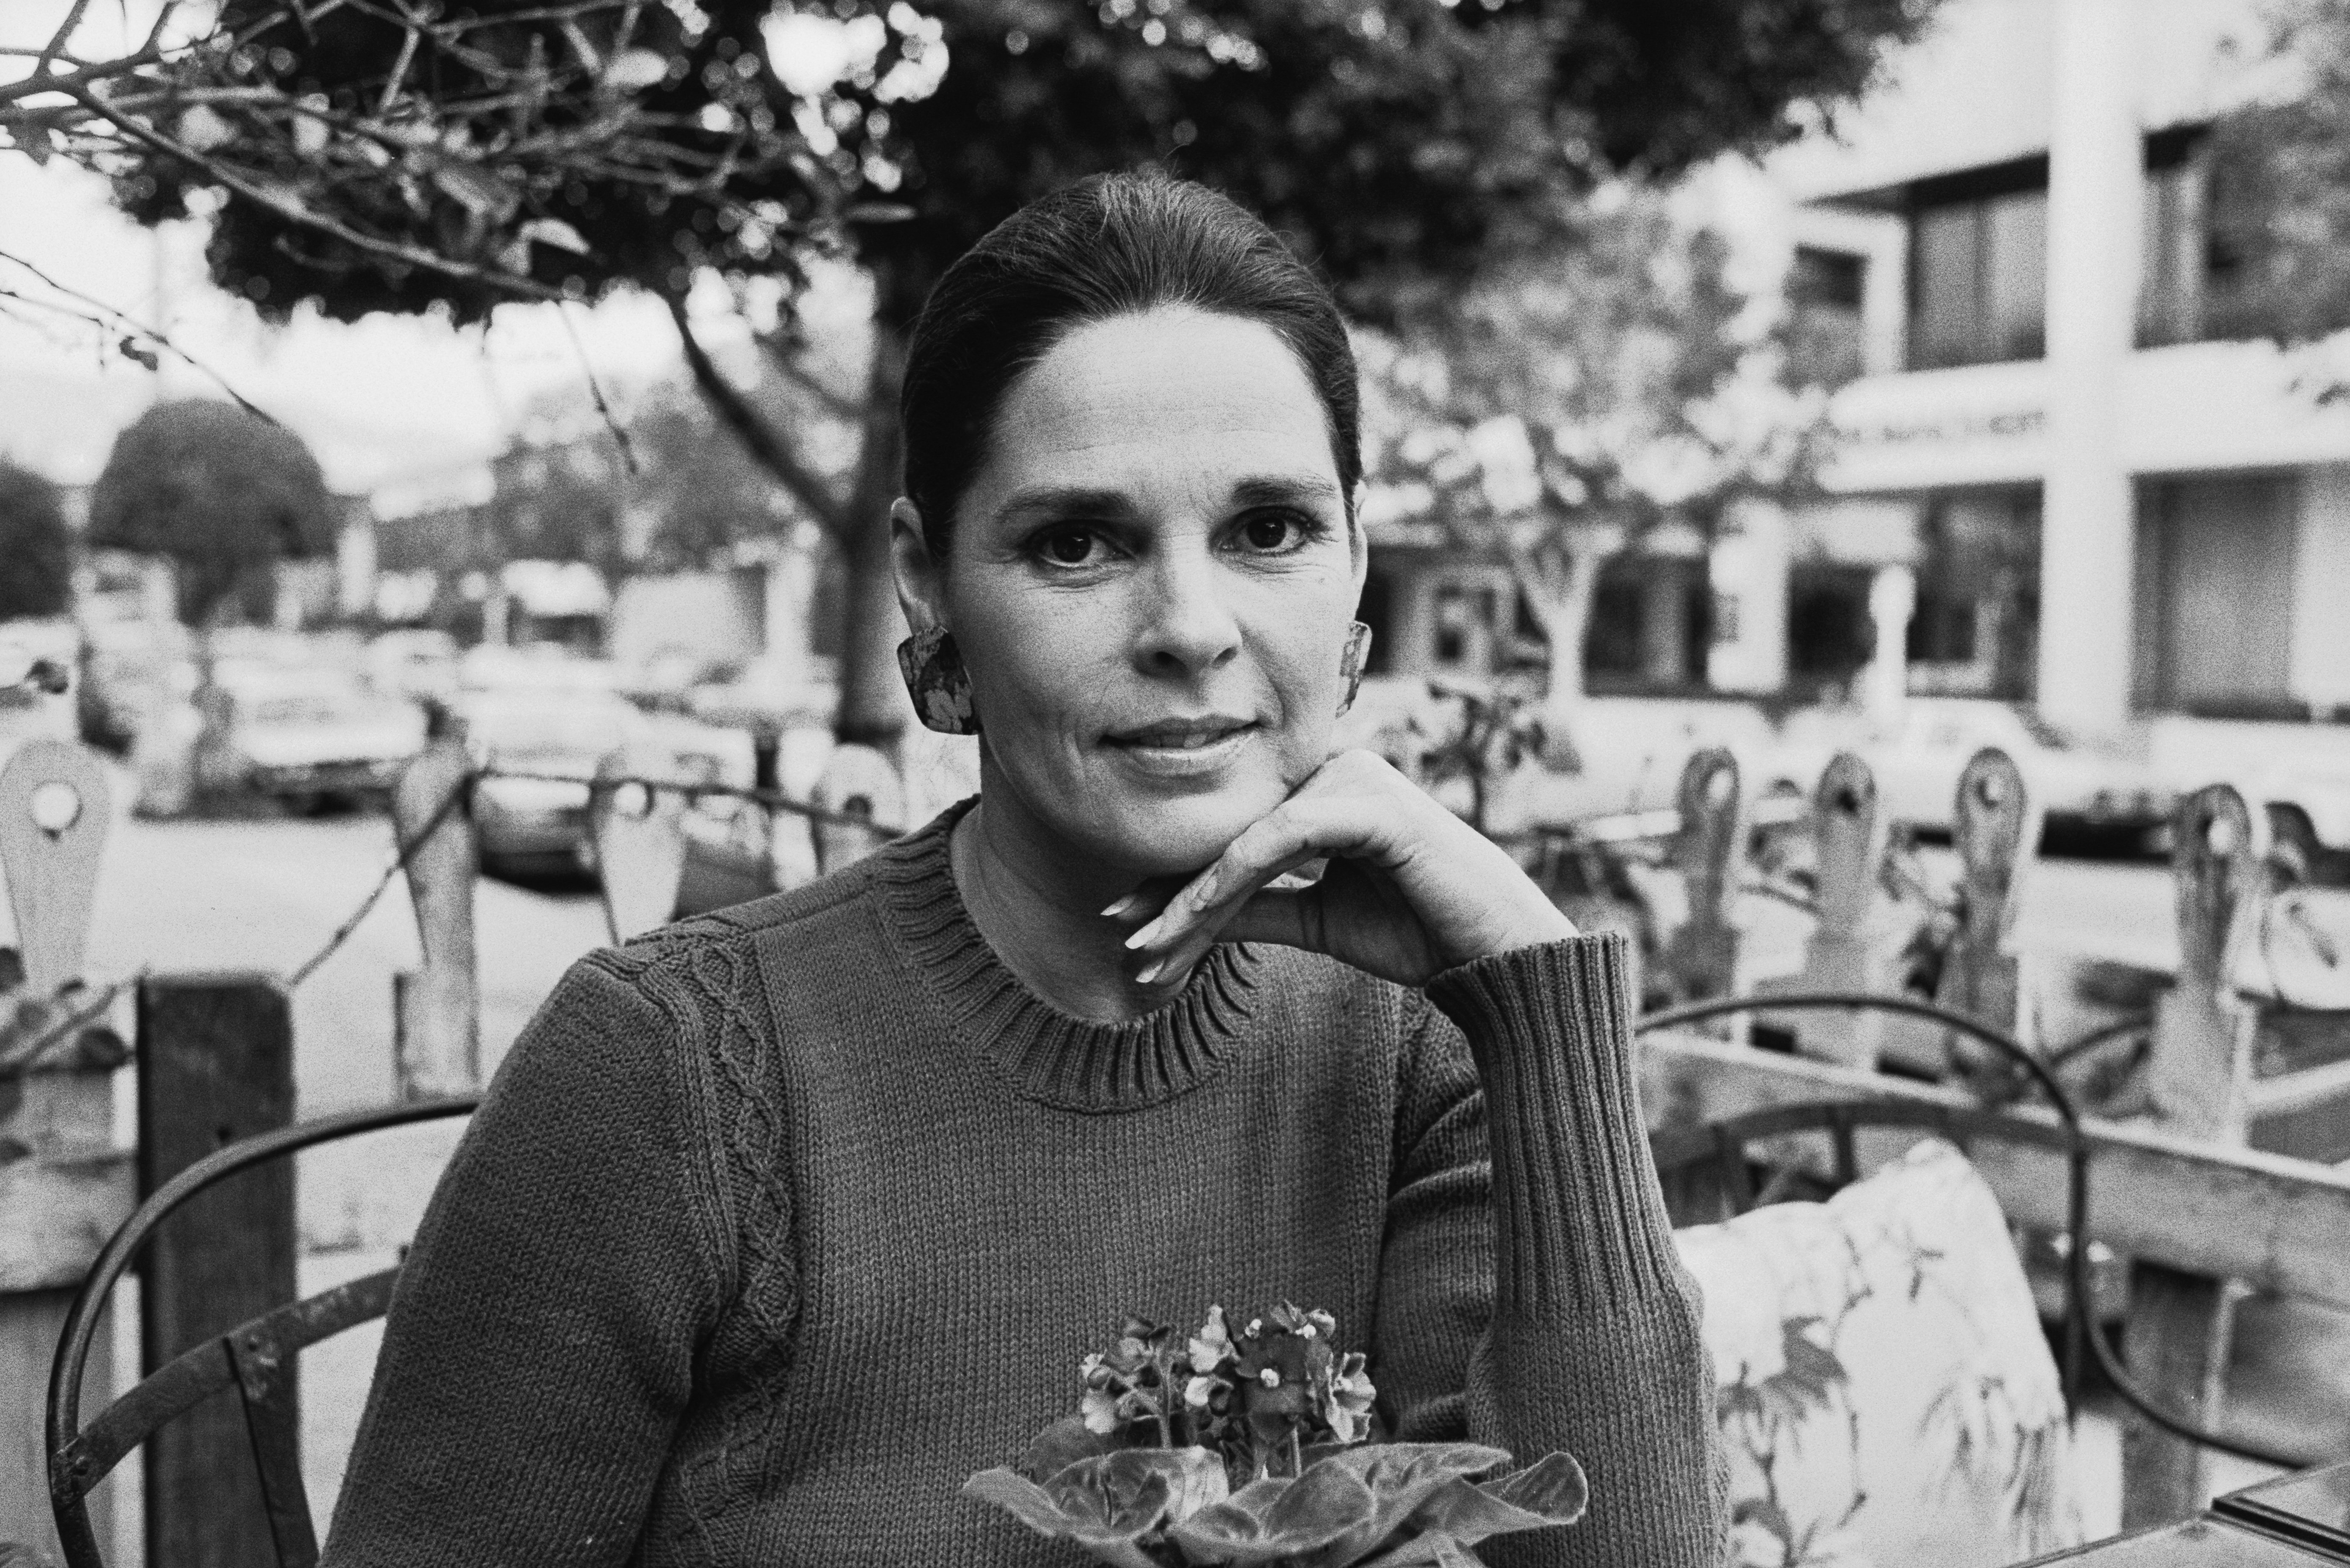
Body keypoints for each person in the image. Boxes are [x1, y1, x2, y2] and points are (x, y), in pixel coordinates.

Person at [323, 172, 1726, 1567]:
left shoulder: (1420, 1055)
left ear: (1357, 567)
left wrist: (1540, 1006)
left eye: (1269, 531)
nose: (1190, 625)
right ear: (929, 587)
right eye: (1078, 543)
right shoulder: (668, 1071)